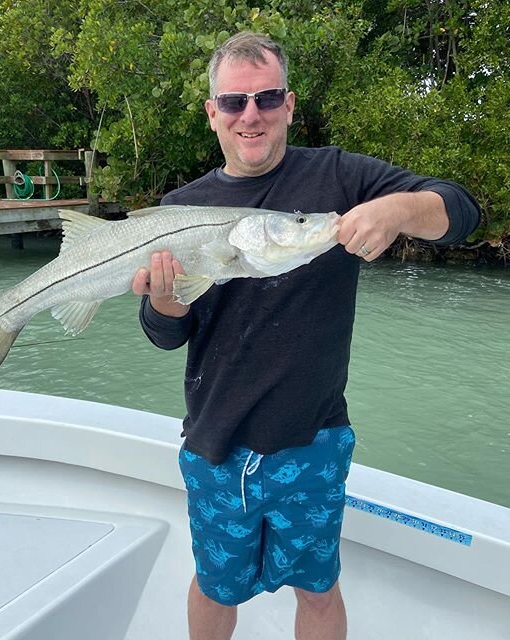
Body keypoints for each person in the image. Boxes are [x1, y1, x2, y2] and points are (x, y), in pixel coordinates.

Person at [131, 31, 480, 640]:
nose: (251, 115)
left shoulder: (338, 178)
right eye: (234, 102)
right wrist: (163, 301)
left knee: (317, 590)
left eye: (266, 98)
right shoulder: (180, 208)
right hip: (216, 442)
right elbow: (164, 335)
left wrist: (398, 210)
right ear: (213, 114)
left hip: (314, 440)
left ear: (289, 105)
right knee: (215, 588)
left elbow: (463, 210)